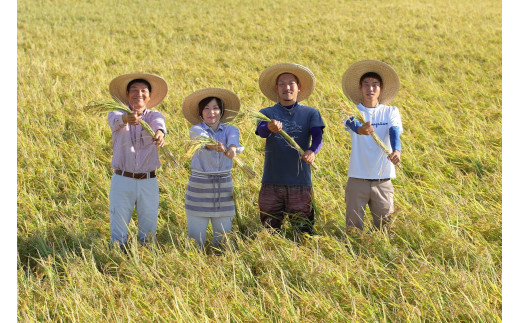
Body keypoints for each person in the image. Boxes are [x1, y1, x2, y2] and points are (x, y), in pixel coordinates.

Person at [255, 63, 325, 235]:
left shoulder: (311, 113)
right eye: (282, 84)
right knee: (269, 232)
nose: (287, 87)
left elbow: (317, 137)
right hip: (271, 183)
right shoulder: (266, 112)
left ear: (299, 87)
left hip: (300, 183)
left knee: (304, 232)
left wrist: (311, 151)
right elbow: (262, 130)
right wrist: (270, 128)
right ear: (276, 88)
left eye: (291, 83)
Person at [107, 73, 168, 249]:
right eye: (134, 90)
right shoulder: (116, 113)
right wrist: (127, 119)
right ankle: (116, 261)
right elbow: (115, 121)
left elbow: (159, 124)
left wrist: (159, 133)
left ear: (149, 96)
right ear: (127, 94)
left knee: (148, 231)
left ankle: (146, 261)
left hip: (148, 181)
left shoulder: (154, 116)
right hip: (122, 179)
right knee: (118, 230)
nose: (138, 94)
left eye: (143, 91)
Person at [341, 60, 403, 231]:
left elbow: (394, 131)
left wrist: (396, 151)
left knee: (386, 228)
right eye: (366, 85)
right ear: (360, 88)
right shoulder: (351, 111)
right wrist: (361, 129)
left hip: (383, 179)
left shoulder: (391, 111)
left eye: (375, 85)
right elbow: (352, 125)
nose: (370, 89)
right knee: (353, 228)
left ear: (381, 89)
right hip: (357, 178)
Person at [182, 88, 242, 247]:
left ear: (221, 111)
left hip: (224, 188)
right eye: (206, 108)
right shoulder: (196, 129)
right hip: (199, 187)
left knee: (223, 240)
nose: (211, 112)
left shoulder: (230, 129)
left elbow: (234, 140)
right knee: (196, 241)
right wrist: (214, 146)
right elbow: (203, 141)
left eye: (215, 108)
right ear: (200, 112)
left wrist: (232, 149)